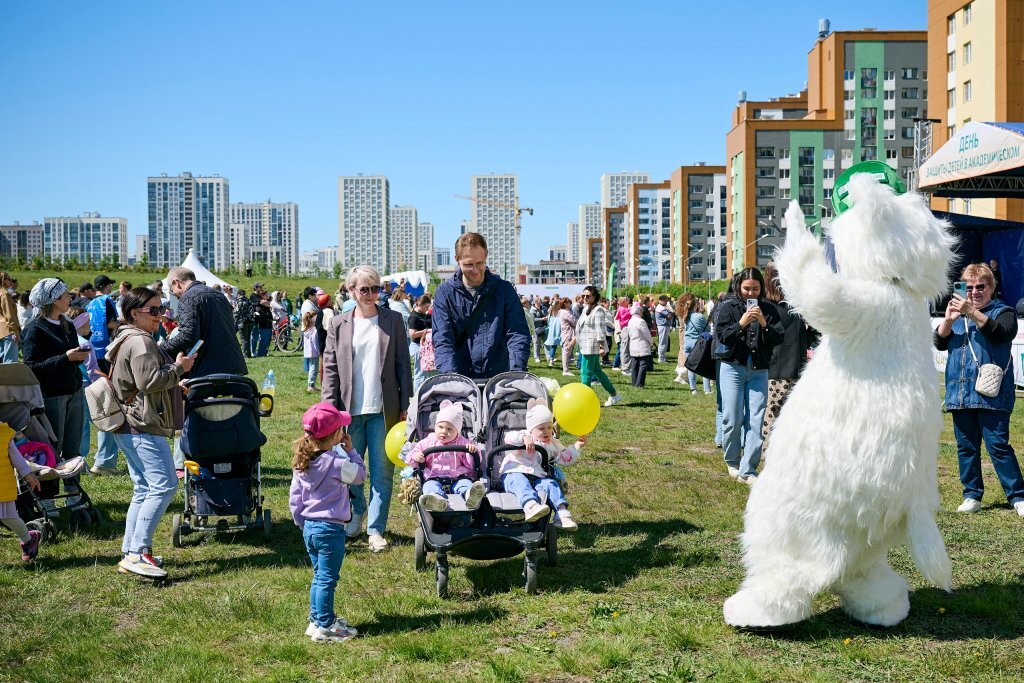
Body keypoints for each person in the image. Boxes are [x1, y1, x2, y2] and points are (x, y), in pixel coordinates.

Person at [104, 287, 196, 579]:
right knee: (165, 485)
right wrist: (178, 369)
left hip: (129, 423)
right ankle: (138, 553)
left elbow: (140, 383)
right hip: (142, 425)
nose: (161, 315)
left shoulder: (126, 337)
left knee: (144, 488)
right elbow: (148, 382)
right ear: (134, 314)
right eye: (153, 310)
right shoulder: (141, 341)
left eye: (161, 309)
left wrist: (172, 384)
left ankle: (131, 550)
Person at [321, 265, 412, 553]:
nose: (371, 294)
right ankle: (357, 509)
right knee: (350, 470)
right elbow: (331, 368)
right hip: (349, 411)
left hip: (384, 409)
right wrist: (327, 408)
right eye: (365, 289)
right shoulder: (338, 324)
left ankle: (376, 529)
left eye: (376, 288)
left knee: (382, 473)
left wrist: (407, 404)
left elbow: (402, 366)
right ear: (351, 291)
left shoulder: (393, 320)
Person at [935, 263, 1024, 517]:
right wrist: (949, 321)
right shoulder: (957, 314)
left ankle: (1018, 496)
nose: (974, 292)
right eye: (969, 287)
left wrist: (972, 312)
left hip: (991, 393)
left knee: (998, 445)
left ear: (991, 288)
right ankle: (972, 494)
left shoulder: (1003, 311)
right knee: (966, 447)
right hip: (960, 392)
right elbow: (939, 342)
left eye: (980, 287)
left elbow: (1000, 333)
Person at [289, 402, 364, 643]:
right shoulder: (337, 463)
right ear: (335, 435)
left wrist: (301, 523)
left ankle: (316, 619)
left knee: (319, 575)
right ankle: (325, 625)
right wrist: (352, 452)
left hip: (310, 527)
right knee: (327, 578)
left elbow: (295, 498)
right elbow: (361, 476)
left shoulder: (303, 462)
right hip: (331, 529)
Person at [714, 268, 784, 484]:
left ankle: (748, 469)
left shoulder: (769, 309)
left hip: (759, 370)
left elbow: (778, 337)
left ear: (762, 288)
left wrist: (763, 322)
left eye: (756, 289)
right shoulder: (727, 307)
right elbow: (723, 336)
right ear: (738, 287)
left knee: (756, 418)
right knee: (732, 417)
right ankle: (732, 460)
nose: (751, 293)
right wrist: (742, 323)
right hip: (732, 368)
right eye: (747, 288)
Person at [21, 279, 88, 500]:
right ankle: (48, 499)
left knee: (72, 447)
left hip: (74, 391)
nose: (70, 297)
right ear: (54, 301)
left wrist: (76, 356)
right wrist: (65, 358)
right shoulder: (34, 329)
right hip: (51, 396)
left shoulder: (67, 323)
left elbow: (67, 358)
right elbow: (30, 367)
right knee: (51, 450)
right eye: (65, 295)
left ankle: (73, 494)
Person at [431, 232, 530, 379]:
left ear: (486, 256)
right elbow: (442, 339)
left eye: (479, 263)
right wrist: (451, 378)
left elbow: (517, 333)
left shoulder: (504, 290)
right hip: (460, 378)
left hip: (500, 377)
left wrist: (516, 373)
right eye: (469, 265)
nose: (475, 270)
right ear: (457, 260)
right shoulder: (444, 294)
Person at [760, 263, 818, 455]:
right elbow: (812, 333)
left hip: (773, 367)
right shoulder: (796, 306)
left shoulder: (765, 306)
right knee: (791, 412)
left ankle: (767, 447)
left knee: (771, 410)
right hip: (797, 366)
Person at [500, 399, 583, 530]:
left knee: (551, 484)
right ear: (531, 429)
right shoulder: (525, 436)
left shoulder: (553, 443)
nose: (546, 432)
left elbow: (564, 458)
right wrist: (524, 439)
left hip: (539, 477)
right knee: (520, 482)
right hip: (514, 473)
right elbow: (508, 437)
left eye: (549, 427)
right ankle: (530, 506)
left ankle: (561, 514)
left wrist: (576, 446)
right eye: (541, 428)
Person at [405, 400, 486, 512]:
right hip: (434, 476)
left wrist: (472, 451)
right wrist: (416, 456)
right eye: (440, 427)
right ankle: (435, 500)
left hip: (457, 476)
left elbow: (473, 464)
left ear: (457, 431)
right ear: (435, 426)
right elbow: (413, 454)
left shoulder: (462, 443)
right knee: (429, 487)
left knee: (465, 484)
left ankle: (470, 496)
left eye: (449, 429)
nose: (444, 431)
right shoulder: (428, 442)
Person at [575, 285, 622, 407]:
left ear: (594, 297)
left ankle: (585, 402)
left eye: (588, 296)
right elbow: (580, 326)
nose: (585, 298)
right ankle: (614, 394)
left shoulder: (598, 310)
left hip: (591, 346)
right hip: (584, 345)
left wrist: (601, 347)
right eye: (583, 295)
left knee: (585, 373)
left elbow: (600, 330)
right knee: (598, 372)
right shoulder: (586, 309)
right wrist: (572, 342)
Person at [1, 424, 42, 561]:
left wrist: (27, 474)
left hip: (3, 485)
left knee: (9, 517)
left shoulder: (4, 433)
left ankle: (29, 539)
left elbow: (17, 458)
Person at [677, 294, 712, 394]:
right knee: (704, 366)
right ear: (695, 305)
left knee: (691, 367)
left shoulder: (685, 317)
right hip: (697, 343)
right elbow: (708, 329)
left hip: (687, 342)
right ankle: (707, 389)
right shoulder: (700, 316)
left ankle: (693, 389)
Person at [87, 275, 118, 371]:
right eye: (110, 285)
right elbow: (110, 323)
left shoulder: (90, 303)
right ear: (107, 286)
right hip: (106, 347)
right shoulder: (106, 300)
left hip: (93, 346)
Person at [407, 294, 433, 393]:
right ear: (419, 305)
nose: (427, 309)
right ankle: (417, 395)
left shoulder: (423, 314)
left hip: (423, 346)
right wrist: (426, 331)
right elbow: (412, 334)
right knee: (420, 373)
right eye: (426, 307)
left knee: (425, 373)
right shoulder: (414, 317)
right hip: (417, 347)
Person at [626, 303, 654, 388]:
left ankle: (634, 382)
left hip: (633, 344)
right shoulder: (640, 321)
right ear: (639, 312)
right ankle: (640, 383)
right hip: (642, 344)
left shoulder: (630, 321)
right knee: (643, 364)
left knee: (635, 364)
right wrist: (651, 342)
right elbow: (646, 333)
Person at [0, 272, 21, 363]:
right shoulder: (5, 294)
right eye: (8, 279)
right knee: (10, 362)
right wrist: (15, 330)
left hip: (1, 330)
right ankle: (9, 378)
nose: (10, 281)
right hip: (8, 330)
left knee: (2, 360)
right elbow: (9, 314)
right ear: (2, 280)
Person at [250, 284, 273, 357]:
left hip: (259, 320)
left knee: (257, 336)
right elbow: (261, 302)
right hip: (254, 319)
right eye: (260, 287)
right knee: (254, 336)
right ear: (256, 288)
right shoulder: (253, 295)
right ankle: (252, 351)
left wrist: (267, 303)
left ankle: (259, 352)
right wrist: (266, 303)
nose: (261, 288)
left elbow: (266, 302)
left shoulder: (259, 295)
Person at [613, 296, 632, 374]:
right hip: (625, 329)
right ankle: (625, 367)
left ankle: (626, 366)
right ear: (624, 302)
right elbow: (631, 311)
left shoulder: (621, 309)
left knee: (626, 348)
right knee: (625, 348)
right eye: (627, 300)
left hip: (625, 329)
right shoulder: (623, 309)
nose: (629, 301)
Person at [302, 310, 320, 393]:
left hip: (308, 352)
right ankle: (311, 385)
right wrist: (319, 351)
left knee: (311, 368)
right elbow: (315, 342)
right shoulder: (314, 331)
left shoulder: (306, 330)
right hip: (314, 352)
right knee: (314, 368)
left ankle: (311, 384)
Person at [558, 299, 577, 377]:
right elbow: (574, 322)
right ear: (565, 304)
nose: (570, 304)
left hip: (567, 333)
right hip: (567, 334)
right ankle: (565, 370)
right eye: (569, 303)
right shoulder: (565, 312)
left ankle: (566, 369)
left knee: (567, 351)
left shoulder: (563, 312)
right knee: (566, 351)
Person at [235, 287, 254, 358]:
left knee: (243, 339)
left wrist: (234, 322)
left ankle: (245, 355)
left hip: (242, 322)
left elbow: (236, 313)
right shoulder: (249, 301)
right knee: (248, 338)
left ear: (239, 294)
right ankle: (248, 354)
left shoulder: (239, 302)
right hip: (250, 322)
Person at [654, 294, 674, 364]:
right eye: (665, 300)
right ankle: (661, 359)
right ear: (661, 300)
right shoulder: (660, 308)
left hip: (664, 326)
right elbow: (670, 316)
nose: (667, 301)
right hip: (662, 326)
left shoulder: (661, 307)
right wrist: (670, 307)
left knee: (664, 343)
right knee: (663, 343)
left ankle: (662, 357)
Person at [530, 298, 547, 363]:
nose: (541, 301)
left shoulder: (543, 308)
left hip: (544, 327)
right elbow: (533, 319)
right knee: (537, 343)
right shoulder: (532, 309)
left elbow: (546, 313)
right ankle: (536, 357)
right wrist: (541, 319)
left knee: (546, 343)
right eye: (540, 300)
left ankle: (549, 357)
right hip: (536, 329)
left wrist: (546, 317)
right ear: (536, 302)